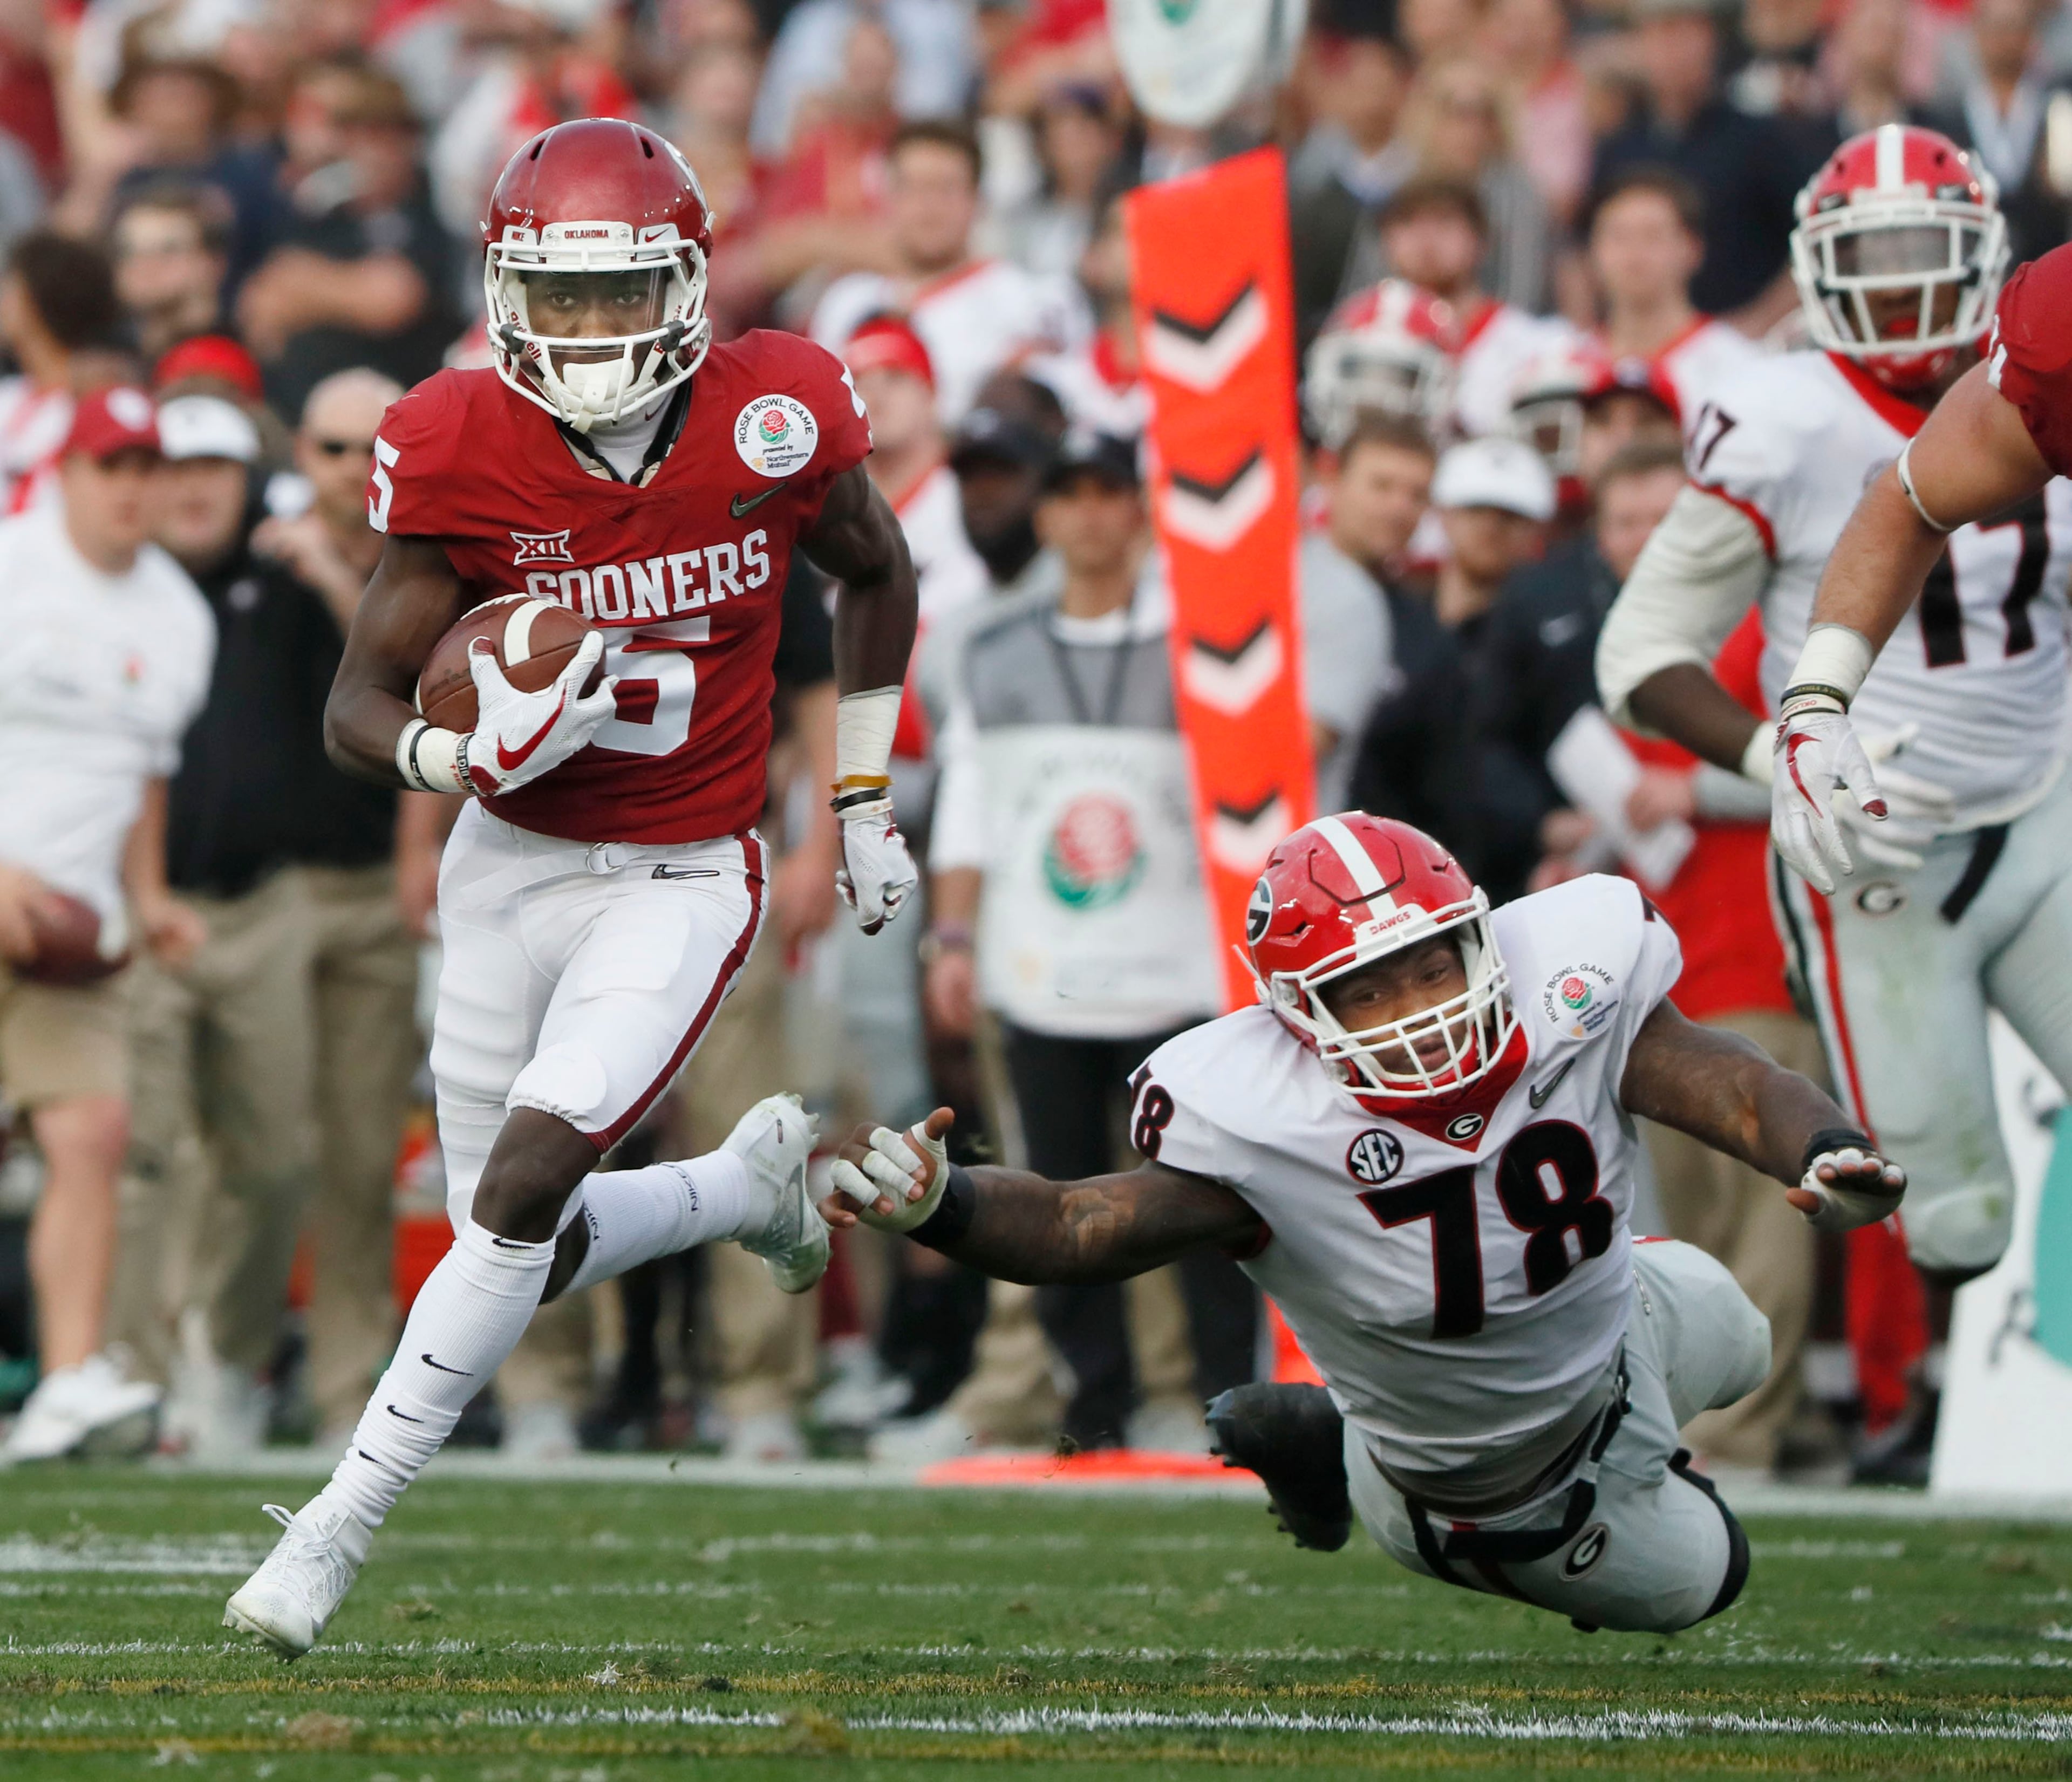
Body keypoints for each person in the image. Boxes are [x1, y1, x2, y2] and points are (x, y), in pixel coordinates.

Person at [221, 118, 919, 1658]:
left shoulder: (779, 411)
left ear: (685, 285)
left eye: (619, 297)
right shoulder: (460, 436)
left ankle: (337, 1520)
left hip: (683, 864)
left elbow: (878, 569)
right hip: (506, 863)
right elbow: (357, 700)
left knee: (523, 1187)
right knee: (509, 1246)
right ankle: (743, 1187)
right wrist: (443, 756)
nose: (590, 332)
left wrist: (859, 791)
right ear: (505, 287)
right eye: (562, 295)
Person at [822, 812, 1908, 1633]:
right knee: (1710, 1576)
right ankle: (1349, 1462)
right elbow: (1075, 1224)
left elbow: (1740, 1084)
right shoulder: (1263, 1119)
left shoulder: (1569, 978)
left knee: (1745, 1334)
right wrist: (942, 1201)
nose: (1422, 1009)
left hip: (1619, 1321)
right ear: (1298, 1015)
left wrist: (1822, 1144)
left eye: (1435, 964)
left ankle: (1353, 1430)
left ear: (1481, 936)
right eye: (1370, 991)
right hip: (1482, 1482)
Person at [1599, 127, 2072, 1298]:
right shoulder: (1779, 413)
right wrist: (1786, 748)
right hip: (1880, 858)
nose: (1906, 288)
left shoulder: (2043, 367)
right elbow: (1641, 651)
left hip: (2050, 810)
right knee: (1955, 1224)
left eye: (1929, 256)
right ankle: (1924, 1415)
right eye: (1878, 258)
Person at [109, 377, 441, 1458]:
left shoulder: (295, 565)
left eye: (215, 469)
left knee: (326, 1155)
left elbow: (411, 685)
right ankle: (175, 1370)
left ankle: (333, 1388)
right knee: (185, 1157)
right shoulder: (124, 588)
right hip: (177, 902)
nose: (195, 490)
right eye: (175, 470)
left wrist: (325, 568)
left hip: (308, 889)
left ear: (246, 476)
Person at [0, 387, 214, 1462]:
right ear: (68, 474)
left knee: (93, 1134)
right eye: (111, 467)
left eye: (147, 467)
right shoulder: (12, 563)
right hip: (8, 887)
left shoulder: (180, 613)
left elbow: (146, 775)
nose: (134, 489)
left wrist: (152, 893)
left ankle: (70, 1379)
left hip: (74, 918)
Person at [809, 120, 1089, 425]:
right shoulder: (846, 302)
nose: (929, 206)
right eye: (912, 187)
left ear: (978, 200)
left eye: (946, 188)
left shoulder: (1028, 299)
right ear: (887, 198)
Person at [236, 68, 459, 424]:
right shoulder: (320, 211)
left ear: (411, 140)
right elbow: (260, 307)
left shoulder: (430, 209)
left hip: (400, 408)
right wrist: (347, 289)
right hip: (303, 411)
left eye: (390, 133)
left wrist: (302, 285)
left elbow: (391, 299)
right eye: (360, 133)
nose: (375, 149)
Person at [1590, 0, 1818, 329]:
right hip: (1645, 359)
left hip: (1746, 351)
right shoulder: (1619, 148)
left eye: (1685, 34)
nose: (1672, 51)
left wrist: (1757, 324)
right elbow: (1585, 249)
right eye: (1659, 35)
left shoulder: (1760, 139)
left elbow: (1810, 241)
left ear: (1710, 41)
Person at [1363, 176, 1576, 439]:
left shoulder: (1536, 344)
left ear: (1481, 240)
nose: (1425, 240)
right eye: (1408, 223)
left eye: (1444, 222)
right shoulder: (1366, 340)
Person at [1585, 169, 1766, 429]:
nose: (1634, 253)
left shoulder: (1740, 367)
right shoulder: (1558, 367)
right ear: (1593, 250)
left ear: (1693, 248)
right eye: (1618, 236)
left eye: (1652, 235)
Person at [0, 231, 122, 516]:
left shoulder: (98, 405)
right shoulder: (9, 396)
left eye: (11, 287)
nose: (2, 300)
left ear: (38, 300)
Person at [111, 181, 231, 367]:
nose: (145, 265)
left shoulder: (241, 358)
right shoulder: (109, 361)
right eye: (130, 251)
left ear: (213, 263)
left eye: (169, 250)